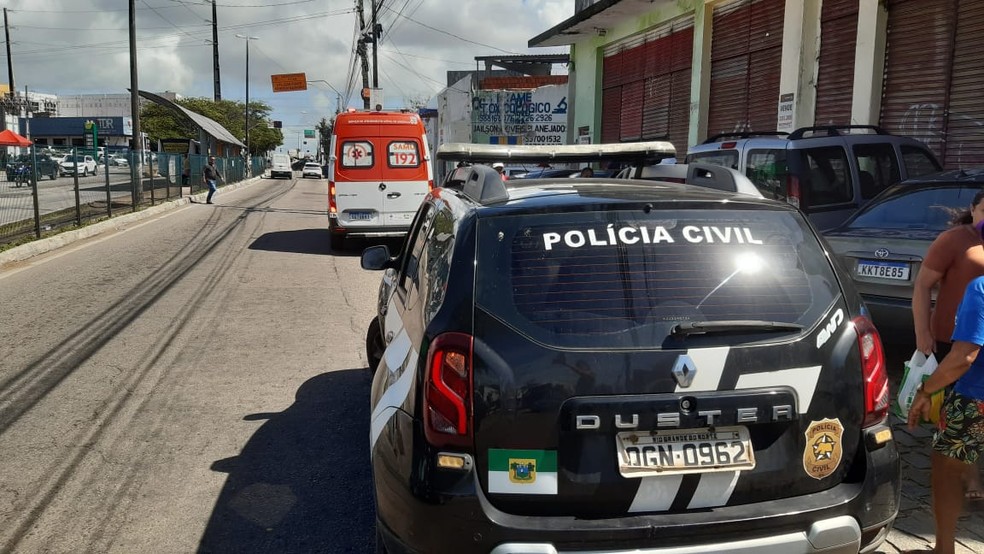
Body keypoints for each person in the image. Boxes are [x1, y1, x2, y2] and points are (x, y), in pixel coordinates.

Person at [907, 264, 984, 554]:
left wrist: (926, 390)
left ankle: (944, 549)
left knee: (947, 471)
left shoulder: (981, 288)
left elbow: (964, 356)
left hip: (975, 398)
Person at [912, 189, 984, 500]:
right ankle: (971, 480)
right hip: (956, 340)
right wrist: (922, 332)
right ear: (973, 209)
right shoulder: (955, 240)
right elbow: (922, 286)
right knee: (963, 408)